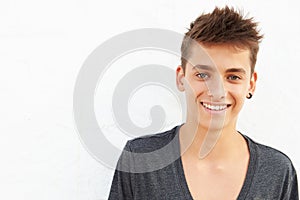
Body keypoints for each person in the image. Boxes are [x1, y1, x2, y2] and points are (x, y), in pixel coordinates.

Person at [108, 6, 298, 200]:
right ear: (181, 78)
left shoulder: (277, 171)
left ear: (251, 83)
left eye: (233, 77)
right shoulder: (141, 159)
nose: (217, 92)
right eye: (202, 75)